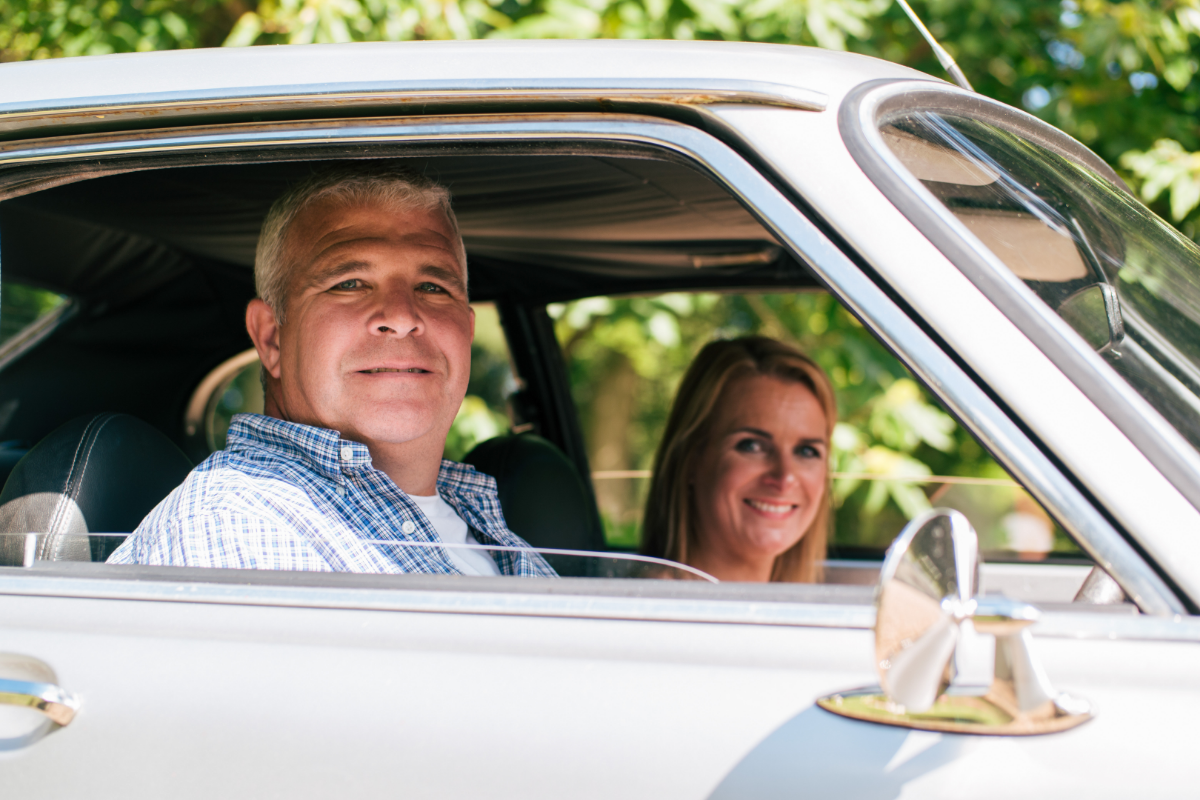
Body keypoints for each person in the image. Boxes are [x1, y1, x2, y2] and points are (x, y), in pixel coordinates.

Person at [109, 163, 554, 578]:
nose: (402, 316)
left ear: (468, 332)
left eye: (433, 287)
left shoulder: (478, 525)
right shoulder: (239, 531)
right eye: (350, 283)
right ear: (271, 338)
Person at [641, 336, 836, 582]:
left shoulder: (790, 608)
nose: (785, 478)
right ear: (691, 459)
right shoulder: (652, 610)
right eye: (752, 446)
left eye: (807, 451)